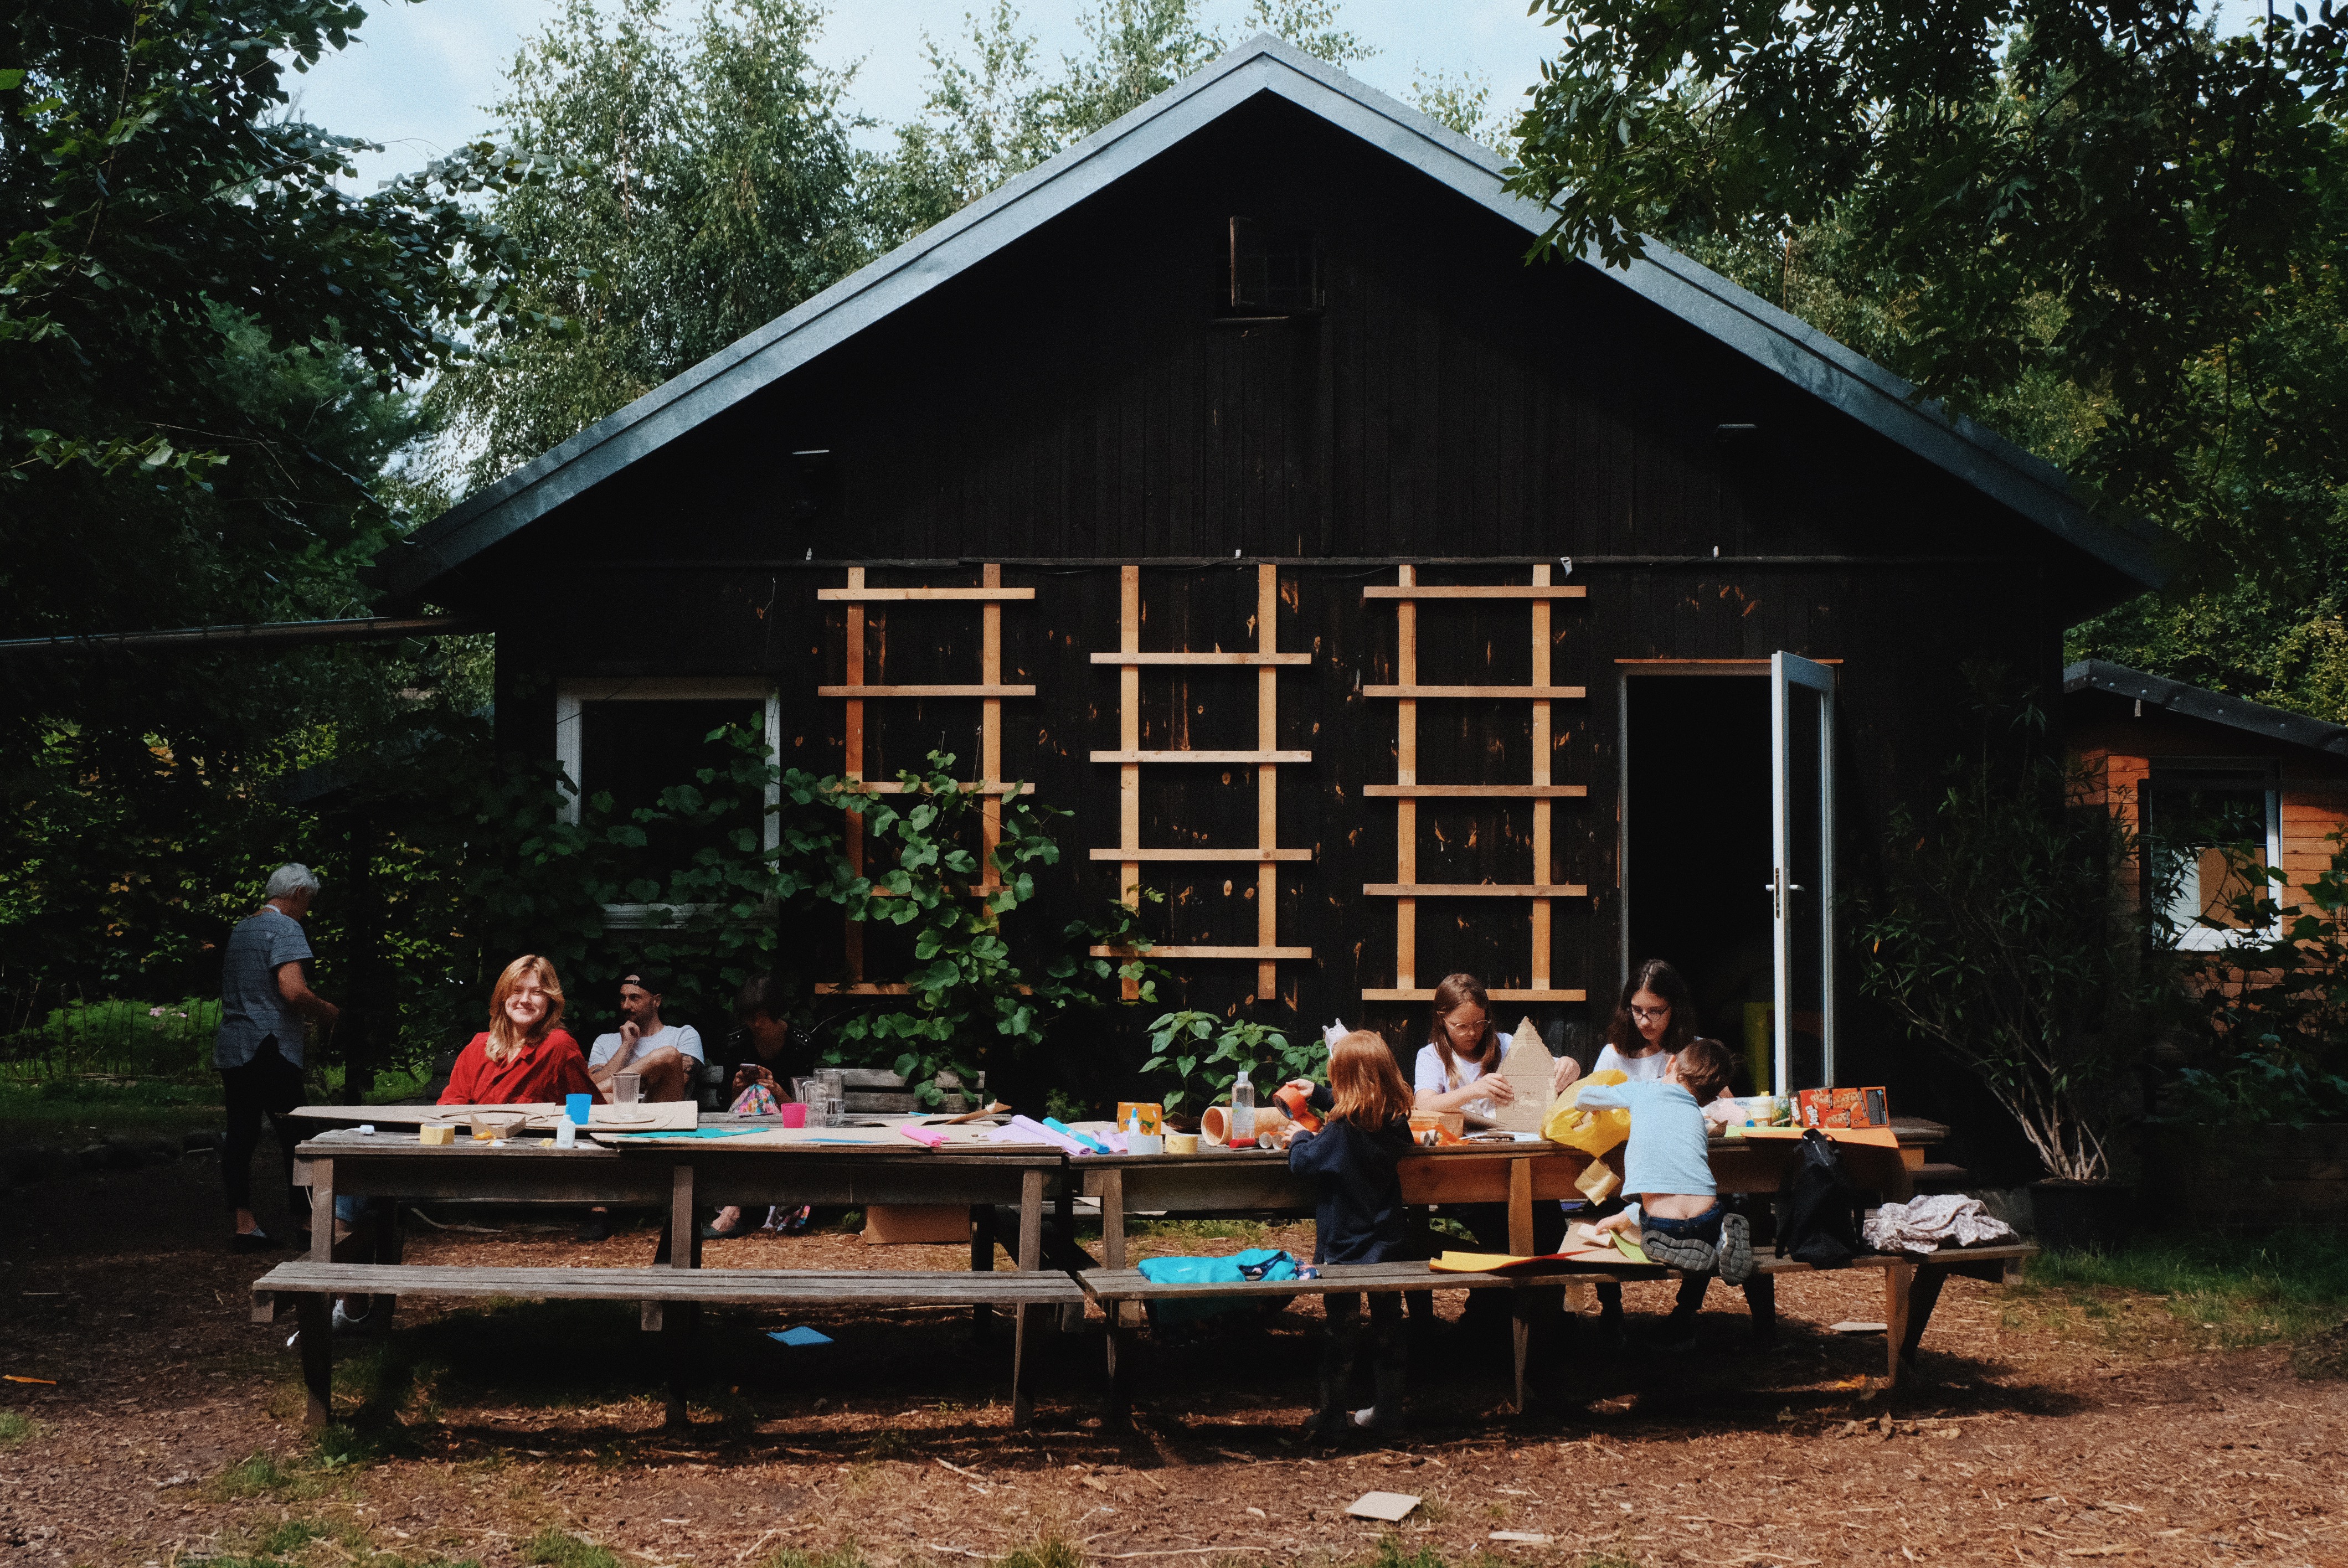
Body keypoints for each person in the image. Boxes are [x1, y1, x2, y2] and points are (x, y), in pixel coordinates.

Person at [1280, 1030, 1417, 1437]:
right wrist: (1322, 1095)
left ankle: (1332, 1416)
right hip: (1387, 1246)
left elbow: (1305, 1163)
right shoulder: (1395, 1125)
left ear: (1346, 1082)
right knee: (1389, 1327)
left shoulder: (1340, 1133)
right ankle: (1390, 1409)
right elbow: (1361, 1112)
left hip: (1343, 1248)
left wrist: (1301, 1136)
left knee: (1340, 1332)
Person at [1579, 1036, 1755, 1353]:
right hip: (1708, 1216)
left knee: (1648, 1220)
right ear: (1708, 1097)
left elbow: (1587, 1096)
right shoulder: (1699, 1118)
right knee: (1713, 1207)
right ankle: (1722, 1236)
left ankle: (1663, 1246)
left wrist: (1588, 1104)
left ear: (1672, 1064)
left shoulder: (1644, 1090)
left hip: (1664, 1225)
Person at [215, 863, 340, 1252]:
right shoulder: (287, 928)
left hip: (235, 1046)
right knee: (298, 1135)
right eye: (309, 901)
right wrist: (326, 1011)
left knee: (241, 1134)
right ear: (300, 894)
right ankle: (307, 1223)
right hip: (270, 1047)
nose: (308, 909)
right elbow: (292, 990)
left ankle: (244, 1224)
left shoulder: (241, 929)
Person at [703, 973, 810, 1240]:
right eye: (751, 1016)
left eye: (762, 1015)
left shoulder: (800, 1044)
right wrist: (738, 1089)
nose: (757, 1023)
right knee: (754, 1092)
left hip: (789, 1129)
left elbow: (806, 1109)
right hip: (741, 1128)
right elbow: (728, 1106)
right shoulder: (736, 1043)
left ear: (776, 1011)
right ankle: (754, 1207)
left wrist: (776, 1090)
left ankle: (734, 1206)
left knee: (761, 1092)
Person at [1410, 973, 1584, 1123]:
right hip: (1457, 1142)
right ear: (1442, 1020)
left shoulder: (1506, 1044)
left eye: (1480, 1023)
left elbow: (1553, 1068)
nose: (1472, 1033)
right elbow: (1424, 1104)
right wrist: (1473, 1091)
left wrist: (1571, 1065)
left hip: (1509, 1138)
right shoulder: (1432, 1055)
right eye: (1462, 1026)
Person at [439, 956, 601, 1106]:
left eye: (537, 992)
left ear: (550, 1001)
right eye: (517, 990)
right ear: (503, 996)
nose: (525, 1000)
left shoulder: (558, 1046)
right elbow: (450, 1105)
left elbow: (588, 1107)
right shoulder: (478, 1046)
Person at [585, 970, 703, 1102]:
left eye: (635, 998)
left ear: (657, 1001)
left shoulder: (684, 1035)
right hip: (615, 1113)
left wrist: (602, 1094)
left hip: (662, 1112)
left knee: (668, 1055)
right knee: (606, 1098)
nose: (626, 1006)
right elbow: (592, 1084)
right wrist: (625, 1047)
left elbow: (674, 1083)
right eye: (623, 998)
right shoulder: (604, 1041)